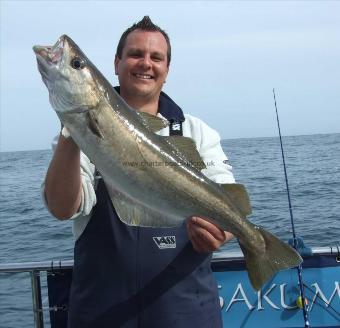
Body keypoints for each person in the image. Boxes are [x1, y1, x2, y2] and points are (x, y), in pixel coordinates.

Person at [43, 16, 235, 328]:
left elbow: (227, 199)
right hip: (101, 315)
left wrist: (222, 233)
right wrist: (73, 127)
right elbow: (62, 208)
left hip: (188, 315)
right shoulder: (75, 135)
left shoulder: (198, 133)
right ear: (116, 63)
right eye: (135, 54)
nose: (145, 63)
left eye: (156, 57)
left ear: (166, 70)